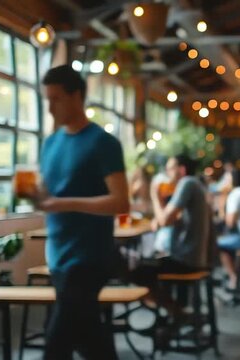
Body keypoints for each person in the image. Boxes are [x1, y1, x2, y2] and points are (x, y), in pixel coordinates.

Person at [35, 65, 130, 360]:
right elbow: (48, 194)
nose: (50, 108)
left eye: (56, 99)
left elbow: (120, 202)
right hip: (58, 257)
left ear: (77, 96)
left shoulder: (103, 143)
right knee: (90, 339)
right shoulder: (50, 143)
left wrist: (62, 203)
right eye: (47, 100)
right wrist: (35, 195)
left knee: (56, 342)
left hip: (90, 258)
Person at [131, 155, 211, 313]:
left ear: (181, 170)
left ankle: (175, 312)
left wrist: (155, 195)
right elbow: (168, 219)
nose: (167, 174)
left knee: (137, 270)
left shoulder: (187, 183)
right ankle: (175, 312)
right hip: (193, 257)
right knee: (148, 264)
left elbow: (164, 220)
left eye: (169, 169)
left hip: (186, 259)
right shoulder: (195, 185)